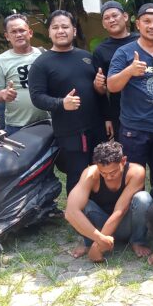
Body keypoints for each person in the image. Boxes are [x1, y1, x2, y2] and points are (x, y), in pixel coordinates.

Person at [28, 10, 107, 195]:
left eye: (65, 26)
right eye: (55, 27)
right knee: (77, 176)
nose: (60, 31)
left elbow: (99, 92)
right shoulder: (41, 64)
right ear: (49, 32)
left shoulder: (86, 57)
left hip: (96, 127)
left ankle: (100, 208)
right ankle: (76, 211)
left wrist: (101, 93)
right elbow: (37, 97)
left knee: (103, 172)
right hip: (70, 132)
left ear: (74, 30)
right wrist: (61, 103)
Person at [107, 3, 153, 185]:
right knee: (132, 180)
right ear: (138, 24)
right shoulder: (124, 52)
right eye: (147, 21)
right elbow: (111, 86)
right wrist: (129, 71)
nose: (152, 26)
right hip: (134, 129)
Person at [64, 141, 152, 261]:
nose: (109, 177)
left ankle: (137, 241)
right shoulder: (90, 174)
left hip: (126, 224)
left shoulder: (136, 172)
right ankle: (89, 243)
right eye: (103, 173)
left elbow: (120, 211)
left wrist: (97, 248)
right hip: (100, 223)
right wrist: (100, 240)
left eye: (113, 172)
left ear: (123, 161)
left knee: (143, 198)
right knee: (84, 205)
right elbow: (70, 212)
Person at [0, 13, 49, 135]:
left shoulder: (44, 55)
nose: (18, 35)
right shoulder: (0, 61)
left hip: (46, 122)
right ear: (7, 36)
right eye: (13, 32)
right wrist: (2, 94)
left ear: (30, 33)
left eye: (22, 30)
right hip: (16, 126)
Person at [92, 0, 139, 140]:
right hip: (120, 112)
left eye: (114, 15)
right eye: (107, 18)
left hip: (148, 107)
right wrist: (107, 117)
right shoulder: (100, 51)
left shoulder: (141, 41)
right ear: (103, 24)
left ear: (125, 16)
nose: (111, 20)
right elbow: (101, 91)